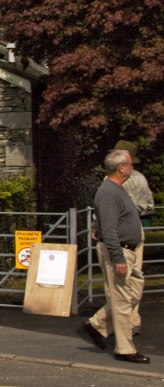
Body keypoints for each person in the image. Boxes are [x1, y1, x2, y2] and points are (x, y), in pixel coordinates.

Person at [82, 149, 148, 364]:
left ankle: (97, 324)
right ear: (121, 168)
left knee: (133, 293)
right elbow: (109, 230)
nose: (132, 167)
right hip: (118, 250)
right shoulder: (109, 192)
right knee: (121, 300)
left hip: (128, 249)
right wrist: (118, 258)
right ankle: (125, 348)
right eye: (130, 164)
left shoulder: (117, 189)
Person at [111, 140, 154, 337]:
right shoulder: (136, 180)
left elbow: (142, 205)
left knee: (127, 277)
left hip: (125, 230)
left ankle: (126, 320)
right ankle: (127, 320)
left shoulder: (128, 180)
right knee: (129, 277)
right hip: (128, 230)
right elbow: (148, 205)